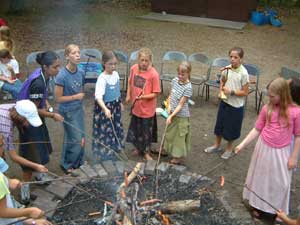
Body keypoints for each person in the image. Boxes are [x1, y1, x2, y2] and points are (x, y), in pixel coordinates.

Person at [234, 77, 300, 224]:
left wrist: (293, 157)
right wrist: (242, 145)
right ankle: (257, 205)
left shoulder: (296, 112)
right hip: (263, 148)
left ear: (282, 94)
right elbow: (257, 129)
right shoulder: (267, 108)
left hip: (281, 152)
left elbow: (298, 136)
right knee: (260, 177)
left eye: (272, 96)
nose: (269, 98)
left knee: (281, 181)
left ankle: (279, 210)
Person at [18, 51, 63, 181]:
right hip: (28, 121)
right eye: (55, 67)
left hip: (35, 119)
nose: (58, 69)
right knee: (31, 153)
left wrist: (48, 106)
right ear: (45, 66)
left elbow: (42, 97)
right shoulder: (38, 83)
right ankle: (25, 190)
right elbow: (33, 109)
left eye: (59, 66)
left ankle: (39, 176)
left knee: (39, 148)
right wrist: (53, 115)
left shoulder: (44, 75)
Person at [204, 47, 249, 159]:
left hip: (236, 106)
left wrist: (232, 92)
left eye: (236, 57)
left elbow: (245, 92)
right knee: (219, 125)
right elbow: (222, 81)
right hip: (224, 102)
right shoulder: (226, 69)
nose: (232, 59)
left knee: (231, 128)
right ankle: (217, 145)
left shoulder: (244, 74)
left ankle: (229, 149)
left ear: (241, 59)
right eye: (231, 57)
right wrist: (221, 92)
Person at [125, 47, 161, 161]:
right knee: (136, 129)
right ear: (138, 60)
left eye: (146, 61)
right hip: (136, 107)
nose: (144, 63)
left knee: (146, 131)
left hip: (147, 110)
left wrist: (143, 97)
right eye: (142, 60)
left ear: (150, 61)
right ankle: (138, 148)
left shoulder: (153, 74)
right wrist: (128, 95)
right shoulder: (134, 69)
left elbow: (155, 93)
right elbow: (130, 82)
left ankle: (146, 152)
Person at [55, 44, 85, 174]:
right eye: (74, 53)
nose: (78, 55)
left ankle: (78, 162)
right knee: (76, 138)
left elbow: (80, 89)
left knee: (81, 136)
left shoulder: (81, 72)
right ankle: (68, 165)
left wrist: (79, 99)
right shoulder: (61, 75)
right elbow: (58, 99)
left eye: (78, 52)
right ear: (67, 56)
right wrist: (75, 97)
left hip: (78, 109)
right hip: (67, 111)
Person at [0, 100, 48, 179]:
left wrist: (52, 115)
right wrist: (36, 166)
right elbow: (13, 156)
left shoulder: (15, 107)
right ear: (21, 118)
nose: (29, 124)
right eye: (28, 120)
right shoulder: (6, 127)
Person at [92, 51, 124, 161]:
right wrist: (105, 109)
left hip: (115, 106)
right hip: (105, 108)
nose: (113, 66)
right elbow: (98, 97)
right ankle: (106, 153)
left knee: (116, 127)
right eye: (110, 64)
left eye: (115, 64)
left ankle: (115, 148)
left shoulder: (116, 74)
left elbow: (117, 91)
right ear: (104, 63)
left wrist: (120, 102)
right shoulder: (102, 78)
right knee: (106, 130)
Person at [163, 61, 192, 165]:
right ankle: (166, 149)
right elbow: (171, 95)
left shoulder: (188, 87)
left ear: (188, 73)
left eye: (183, 74)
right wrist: (169, 106)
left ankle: (177, 157)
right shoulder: (175, 80)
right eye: (178, 73)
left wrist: (171, 115)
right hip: (172, 113)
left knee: (179, 137)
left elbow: (180, 105)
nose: (180, 76)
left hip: (181, 117)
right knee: (169, 133)